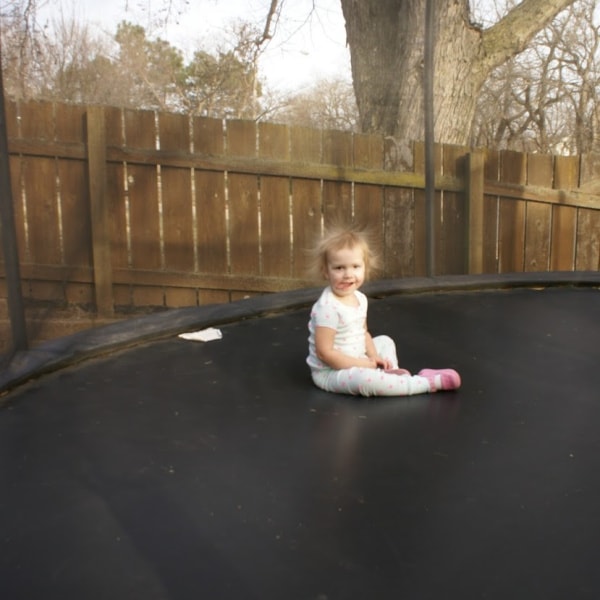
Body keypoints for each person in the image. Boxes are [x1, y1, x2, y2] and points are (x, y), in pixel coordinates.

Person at [306, 224, 461, 397]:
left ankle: (390, 371)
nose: (348, 274)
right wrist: (364, 364)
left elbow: (363, 333)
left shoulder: (360, 298)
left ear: (365, 267)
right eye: (339, 268)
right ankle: (425, 383)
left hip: (359, 357)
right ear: (325, 271)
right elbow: (325, 353)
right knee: (364, 380)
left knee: (385, 341)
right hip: (332, 373)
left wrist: (374, 356)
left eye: (355, 266)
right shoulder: (327, 308)